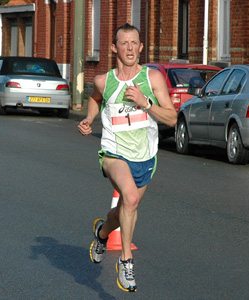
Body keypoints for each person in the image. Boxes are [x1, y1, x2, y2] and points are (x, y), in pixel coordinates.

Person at [78, 23, 177, 292]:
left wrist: (146, 103)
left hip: (145, 156)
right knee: (131, 199)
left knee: (124, 210)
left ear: (141, 47)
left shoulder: (152, 78)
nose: (130, 48)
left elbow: (172, 117)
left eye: (135, 43)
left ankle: (102, 233)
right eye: (124, 43)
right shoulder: (104, 80)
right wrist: (89, 119)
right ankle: (126, 261)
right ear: (114, 48)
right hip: (114, 151)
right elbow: (95, 99)